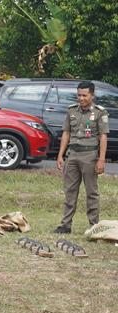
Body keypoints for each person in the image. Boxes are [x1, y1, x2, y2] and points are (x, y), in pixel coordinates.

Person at [55, 81, 108, 234]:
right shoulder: (71, 111)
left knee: (91, 192)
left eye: (84, 95)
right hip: (72, 155)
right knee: (69, 191)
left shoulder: (99, 112)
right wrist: (60, 155)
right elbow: (66, 133)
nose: (81, 98)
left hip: (89, 156)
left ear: (92, 95)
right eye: (79, 95)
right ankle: (65, 225)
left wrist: (101, 159)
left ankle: (94, 226)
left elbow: (103, 137)